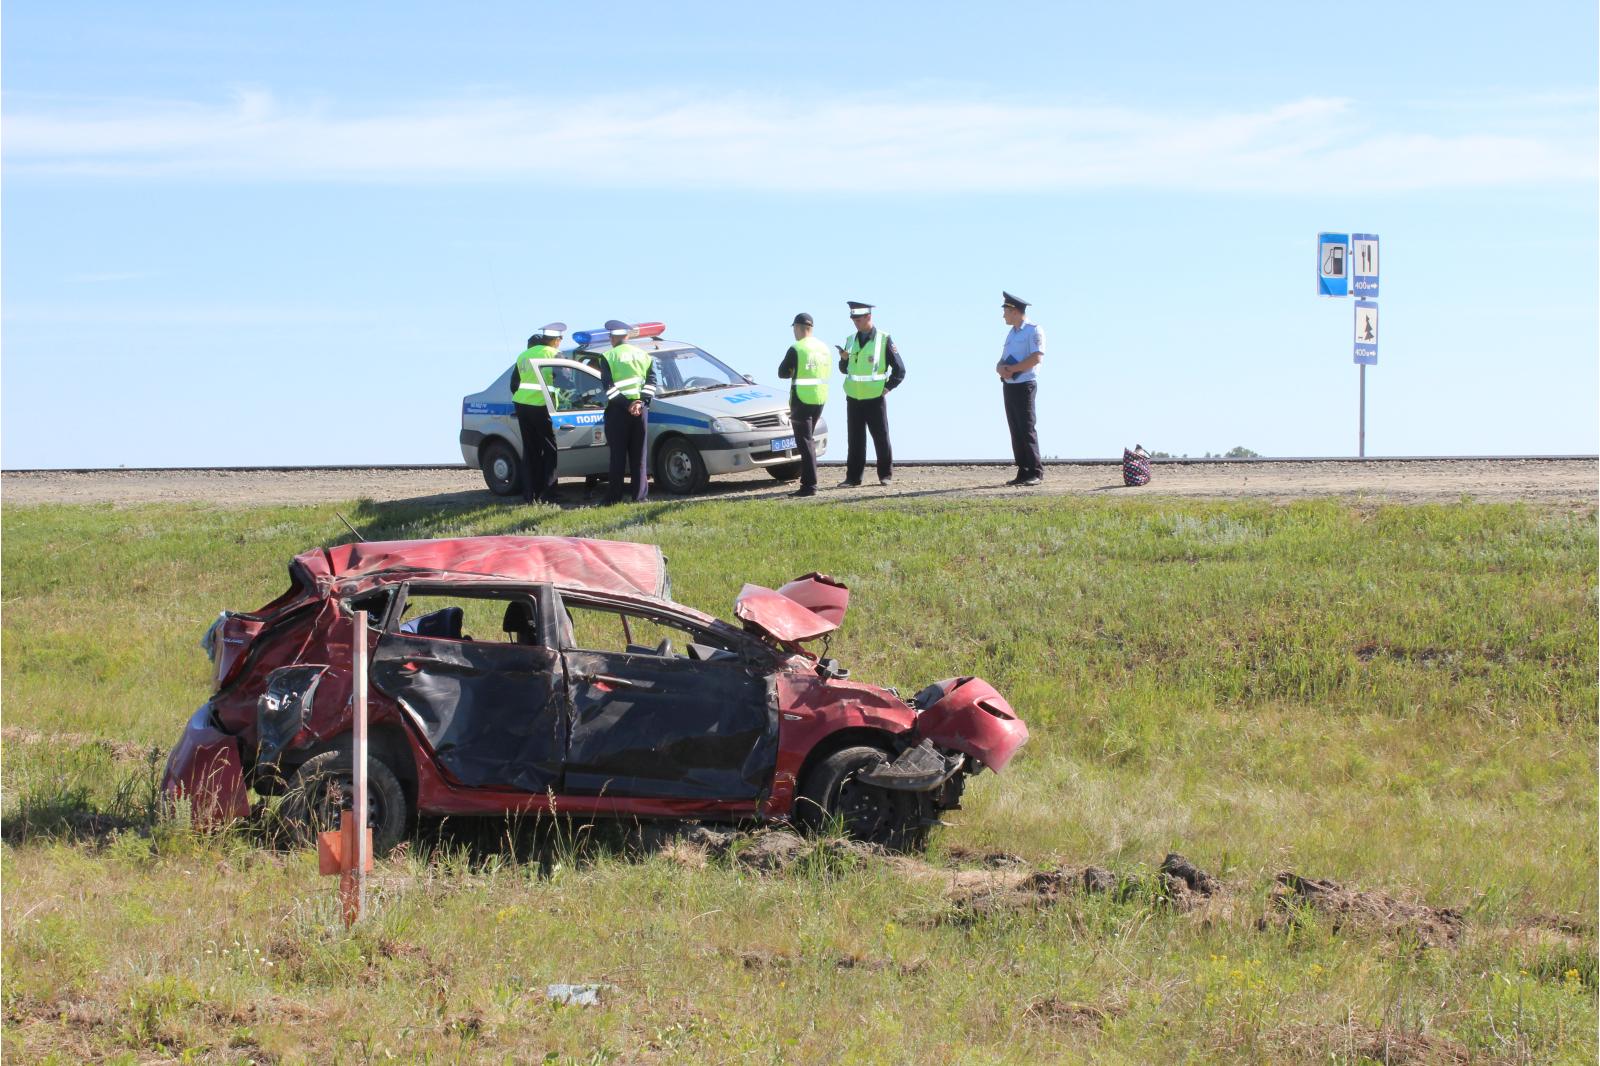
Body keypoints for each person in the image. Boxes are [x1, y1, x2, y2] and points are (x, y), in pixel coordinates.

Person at [836, 301, 905, 487]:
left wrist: (888, 387)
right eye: (853, 320)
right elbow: (845, 369)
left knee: (881, 437)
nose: (856, 323)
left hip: (875, 397)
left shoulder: (884, 339)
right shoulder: (850, 340)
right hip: (853, 396)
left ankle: (885, 475)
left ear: (869, 317)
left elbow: (900, 369)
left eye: (858, 319)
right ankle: (853, 478)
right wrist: (843, 360)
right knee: (855, 439)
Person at [598, 319, 657, 504]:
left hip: (618, 411)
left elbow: (609, 388)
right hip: (640, 411)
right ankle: (639, 497)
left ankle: (613, 498)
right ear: (627, 336)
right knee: (639, 456)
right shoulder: (643, 355)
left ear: (611, 337)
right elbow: (651, 383)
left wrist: (626, 405)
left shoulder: (608, 356)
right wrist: (640, 403)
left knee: (617, 455)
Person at [776, 312, 829, 497]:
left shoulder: (797, 348)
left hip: (801, 400)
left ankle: (809, 486)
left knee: (805, 443)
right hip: (819, 399)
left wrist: (794, 371)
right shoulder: (823, 348)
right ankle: (810, 483)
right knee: (809, 441)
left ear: (798, 328)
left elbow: (782, 372)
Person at [511, 322, 565, 504]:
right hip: (542, 406)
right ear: (555, 340)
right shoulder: (554, 354)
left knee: (530, 450)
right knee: (550, 450)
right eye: (560, 339)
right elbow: (565, 380)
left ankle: (529, 495)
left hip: (522, 405)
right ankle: (549, 493)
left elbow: (514, 385)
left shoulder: (523, 355)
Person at [996, 292, 1044, 486]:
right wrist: (1000, 368)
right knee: (1015, 429)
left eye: (1006, 311)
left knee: (1026, 428)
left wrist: (1013, 369)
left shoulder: (1033, 330)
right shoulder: (1011, 333)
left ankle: (1035, 470)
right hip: (1009, 385)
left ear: (1015, 311)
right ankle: (1023, 470)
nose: (1004, 316)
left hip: (1025, 384)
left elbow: (1036, 357)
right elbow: (1003, 357)